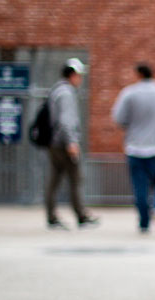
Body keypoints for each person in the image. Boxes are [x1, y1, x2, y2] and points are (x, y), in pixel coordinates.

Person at [112, 63, 155, 234]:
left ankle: (144, 222)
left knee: (140, 187)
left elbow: (119, 118)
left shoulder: (129, 94)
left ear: (138, 74)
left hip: (135, 148)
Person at [45, 58, 99, 230]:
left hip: (55, 143)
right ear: (72, 75)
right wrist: (72, 143)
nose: (80, 80)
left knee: (55, 179)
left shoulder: (57, 90)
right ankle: (80, 215)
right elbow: (66, 121)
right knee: (75, 179)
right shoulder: (66, 93)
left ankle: (52, 216)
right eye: (79, 75)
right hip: (64, 144)